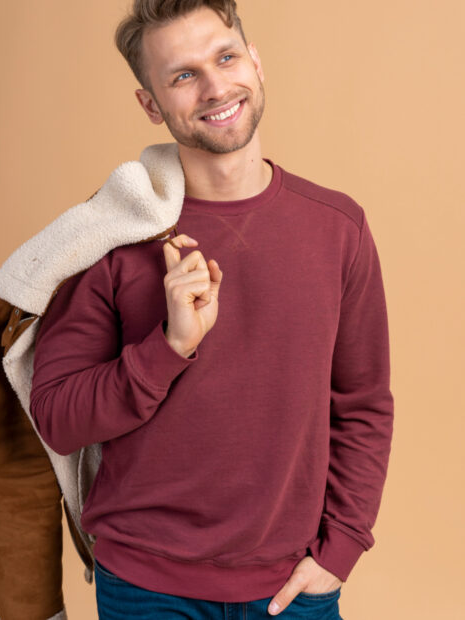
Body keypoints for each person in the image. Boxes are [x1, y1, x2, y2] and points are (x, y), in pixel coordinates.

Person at [29, 1, 394, 618]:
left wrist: (342, 550)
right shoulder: (111, 237)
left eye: (225, 58)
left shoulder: (339, 228)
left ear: (255, 62)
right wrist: (167, 348)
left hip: (293, 588)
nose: (215, 87)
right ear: (151, 104)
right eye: (182, 75)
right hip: (145, 588)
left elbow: (362, 404)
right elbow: (57, 419)